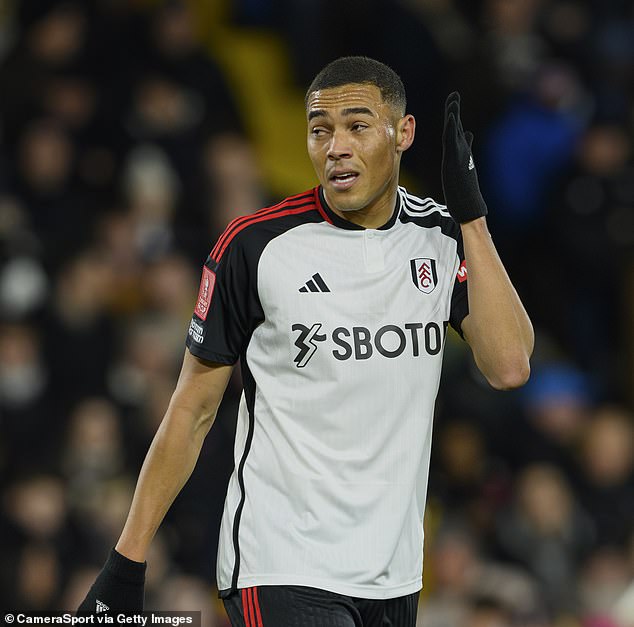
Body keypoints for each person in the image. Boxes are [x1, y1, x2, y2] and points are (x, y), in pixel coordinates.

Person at [78, 56, 534, 626]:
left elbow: (509, 366)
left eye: (357, 126)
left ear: (403, 133)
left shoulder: (440, 236)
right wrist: (126, 562)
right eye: (321, 130)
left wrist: (472, 219)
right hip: (281, 561)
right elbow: (191, 411)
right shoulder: (256, 246)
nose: (336, 147)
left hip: (394, 573)